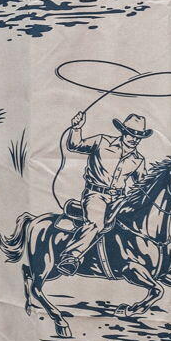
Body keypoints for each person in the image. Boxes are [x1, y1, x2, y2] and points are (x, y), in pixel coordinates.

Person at [58, 109, 154, 276]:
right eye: (131, 134)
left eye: (138, 136)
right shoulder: (102, 141)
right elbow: (74, 145)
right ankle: (71, 257)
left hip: (119, 198)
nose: (134, 139)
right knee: (97, 224)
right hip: (96, 195)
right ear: (123, 132)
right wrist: (76, 128)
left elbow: (142, 185)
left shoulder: (139, 160)